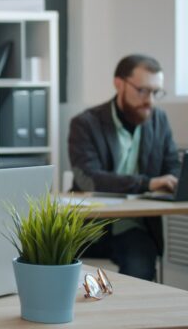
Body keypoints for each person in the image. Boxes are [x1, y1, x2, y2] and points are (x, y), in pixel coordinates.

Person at [68, 54, 181, 280]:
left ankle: (135, 316)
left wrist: (175, 181)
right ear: (119, 84)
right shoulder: (85, 123)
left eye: (155, 92)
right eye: (142, 90)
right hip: (91, 228)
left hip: (133, 226)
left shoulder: (159, 120)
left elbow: (173, 168)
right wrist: (146, 183)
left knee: (140, 265)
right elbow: (89, 179)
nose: (150, 100)